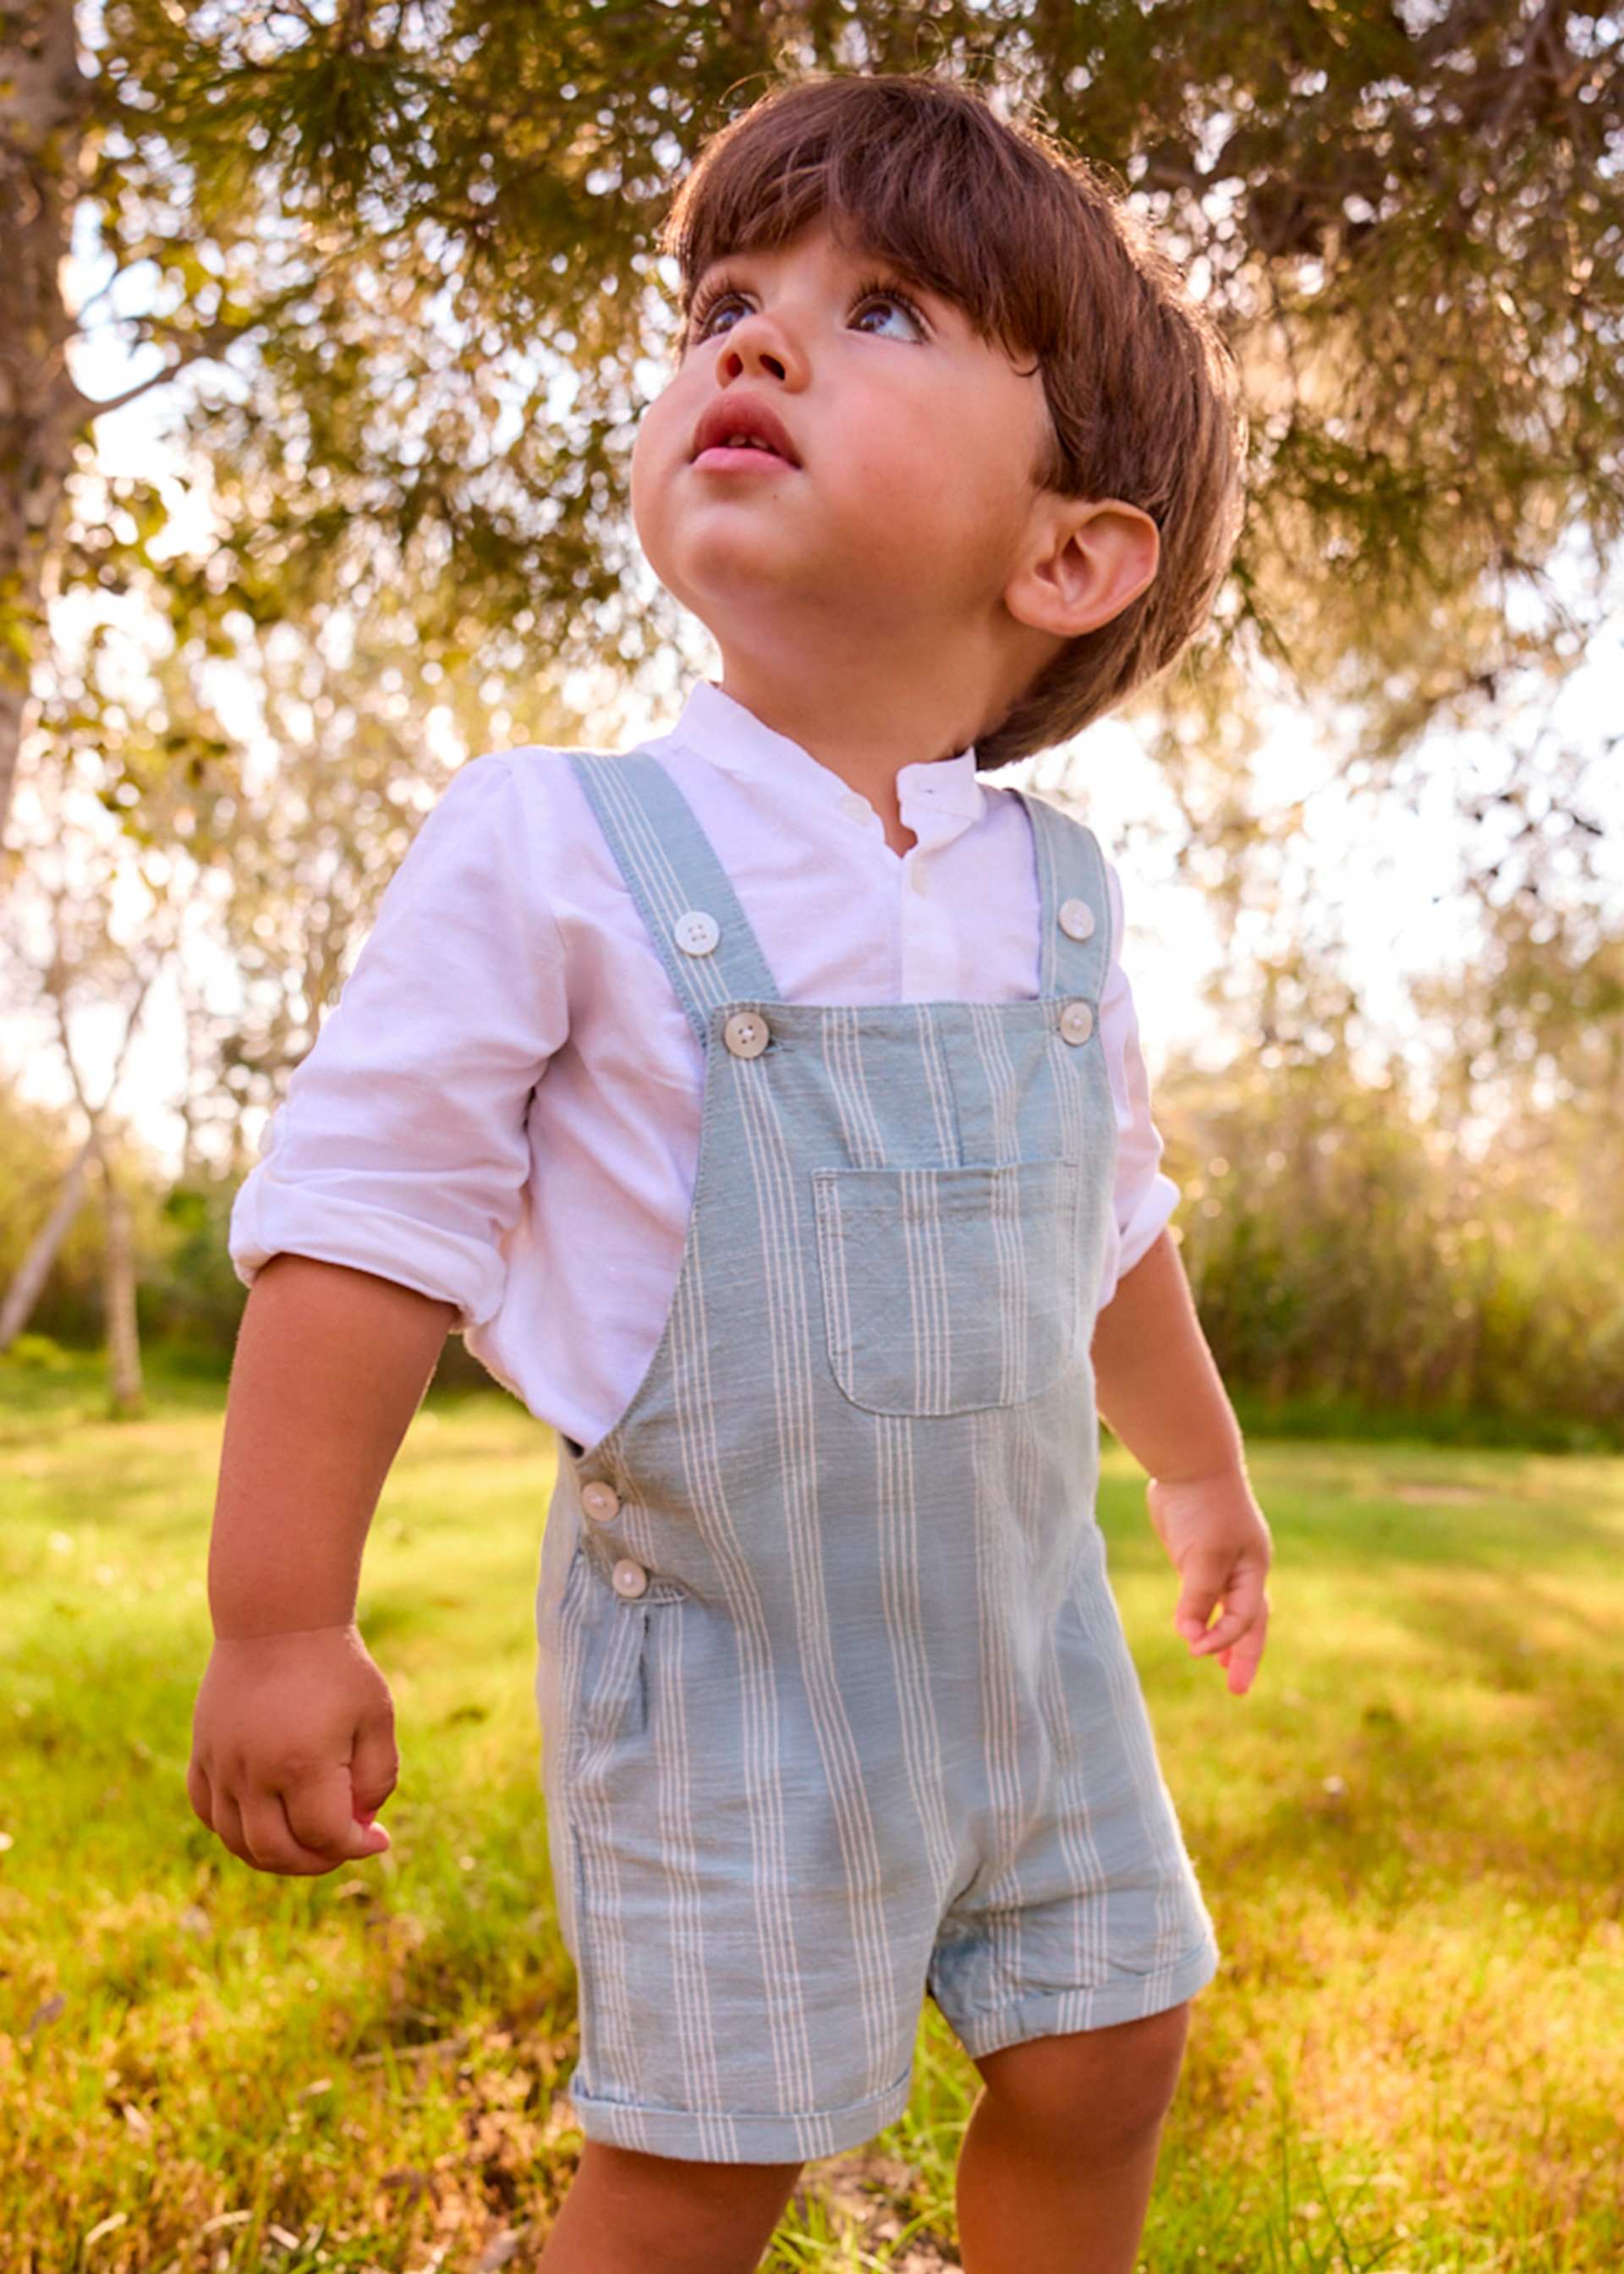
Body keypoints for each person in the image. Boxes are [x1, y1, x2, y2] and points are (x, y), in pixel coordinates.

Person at [189, 66, 1270, 2274]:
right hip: (734, 1681)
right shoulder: (561, 841)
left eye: (878, 313)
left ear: (1067, 554)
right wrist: (279, 1614)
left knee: (1112, 2047)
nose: (751, 341)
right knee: (712, 2162)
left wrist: (1197, 1478)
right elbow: (367, 1223)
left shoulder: (1058, 901)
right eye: (723, 303)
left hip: (1031, 1656)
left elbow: (1110, 1225)